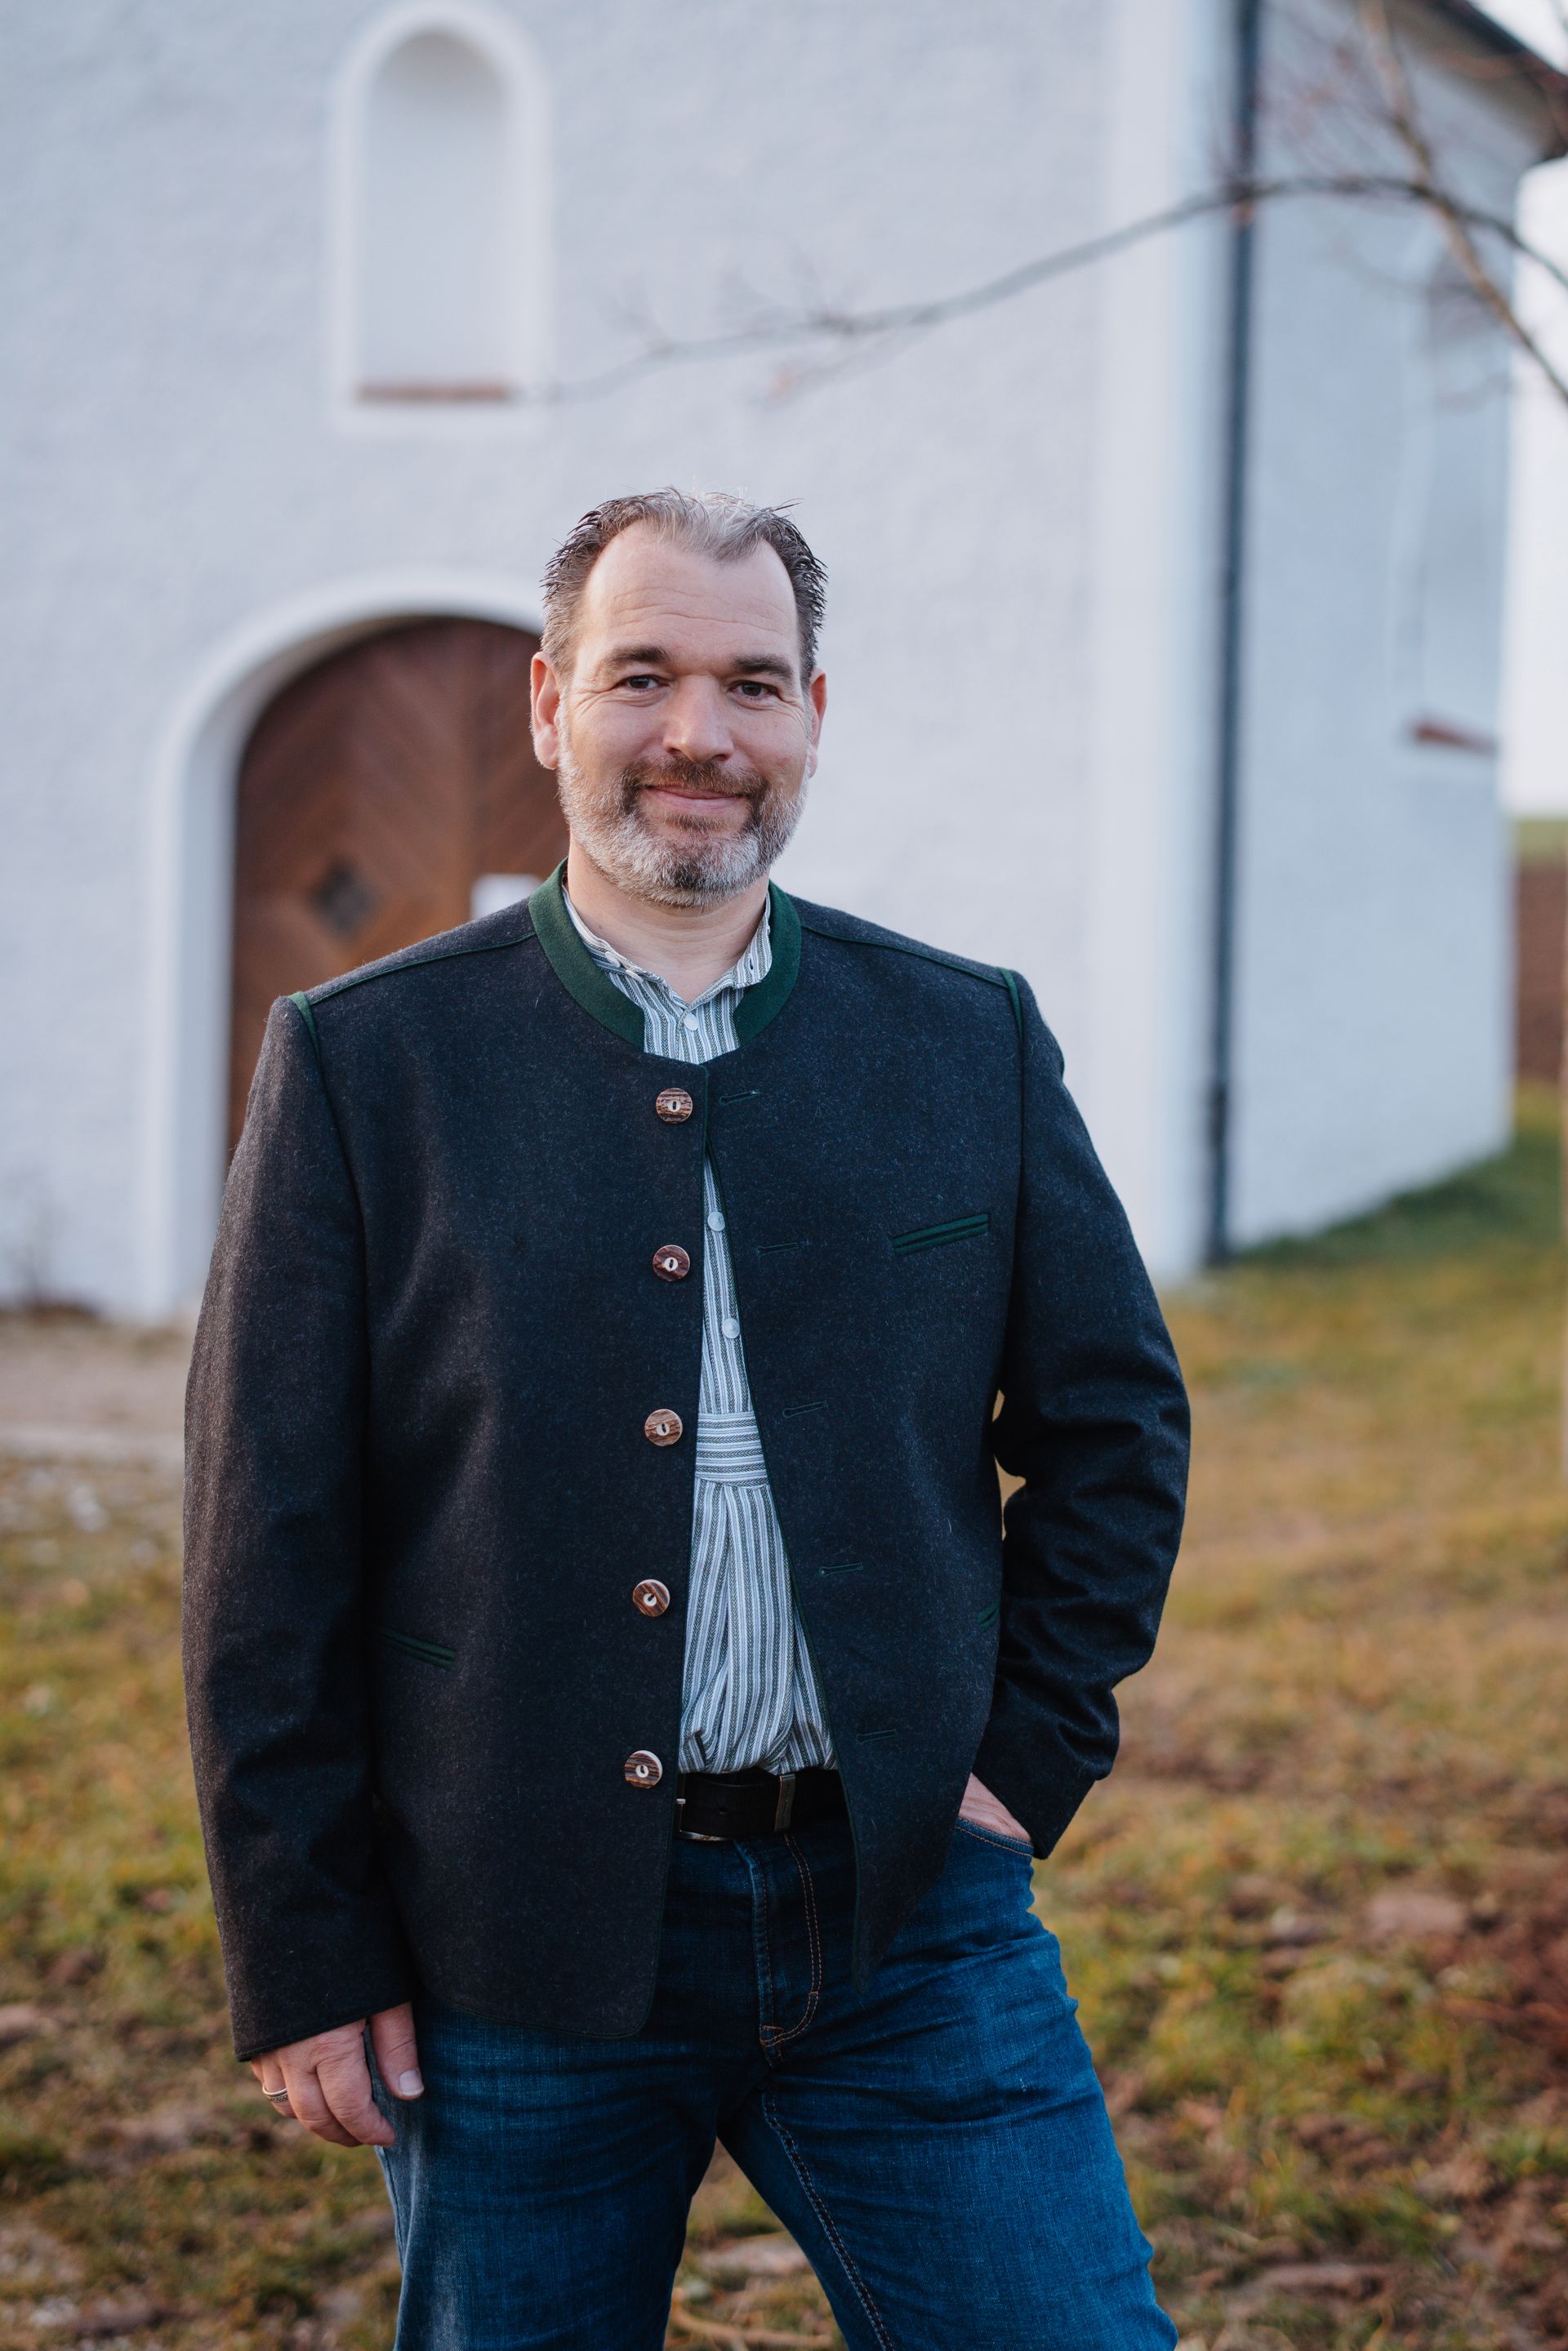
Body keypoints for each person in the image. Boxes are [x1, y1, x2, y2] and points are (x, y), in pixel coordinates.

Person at [184, 489, 1190, 2351]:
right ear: (551, 704)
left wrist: (1016, 1771)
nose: (700, 736)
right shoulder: (365, 1063)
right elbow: (269, 1540)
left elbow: (1115, 1426)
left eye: (752, 682)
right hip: (513, 1948)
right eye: (645, 675)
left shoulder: (962, 1036)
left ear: (817, 712)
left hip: (908, 1920)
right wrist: (302, 1944)